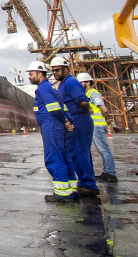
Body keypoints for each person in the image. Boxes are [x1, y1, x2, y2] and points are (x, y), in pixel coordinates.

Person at [29, 61, 77, 202]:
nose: (29, 77)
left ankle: (62, 193)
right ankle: (71, 189)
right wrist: (67, 122)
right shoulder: (54, 88)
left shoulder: (43, 89)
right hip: (57, 125)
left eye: (31, 74)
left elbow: (55, 109)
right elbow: (64, 109)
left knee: (54, 157)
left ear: (40, 74)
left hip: (51, 126)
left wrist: (63, 122)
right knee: (64, 156)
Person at [51, 55, 100, 197]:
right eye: (53, 71)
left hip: (78, 120)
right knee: (81, 153)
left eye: (58, 70)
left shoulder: (71, 83)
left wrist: (83, 110)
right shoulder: (64, 83)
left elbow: (83, 102)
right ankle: (87, 182)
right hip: (76, 120)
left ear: (66, 69)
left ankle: (87, 185)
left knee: (78, 153)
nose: (55, 73)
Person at [77, 72, 118, 183]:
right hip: (93, 126)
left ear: (88, 82)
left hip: (97, 126)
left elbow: (103, 109)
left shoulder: (93, 94)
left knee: (104, 150)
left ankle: (111, 174)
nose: (80, 85)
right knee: (101, 150)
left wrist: (108, 119)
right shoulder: (87, 94)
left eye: (81, 83)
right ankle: (106, 172)